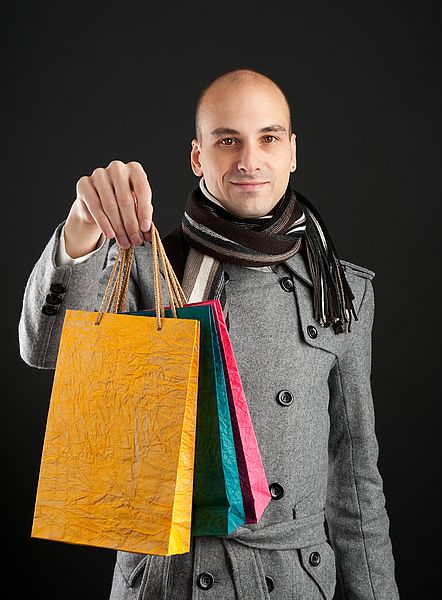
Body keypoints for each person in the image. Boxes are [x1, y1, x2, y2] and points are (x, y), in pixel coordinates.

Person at [19, 68, 400, 600]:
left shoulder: (342, 292)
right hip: (171, 580)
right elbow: (44, 349)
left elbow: (356, 478)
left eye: (268, 138)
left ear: (292, 152)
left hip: (295, 583)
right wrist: (82, 227)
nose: (249, 159)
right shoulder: (146, 268)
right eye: (227, 140)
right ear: (198, 156)